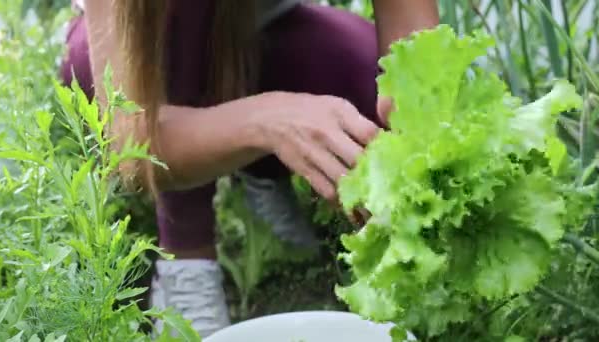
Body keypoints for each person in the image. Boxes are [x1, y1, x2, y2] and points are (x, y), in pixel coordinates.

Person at [60, 0, 439, 337]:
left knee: (358, 69)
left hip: (262, 38)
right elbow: (129, 143)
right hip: (141, 53)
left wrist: (406, 144)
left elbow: (415, 48)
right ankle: (187, 260)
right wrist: (268, 121)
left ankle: (263, 172)